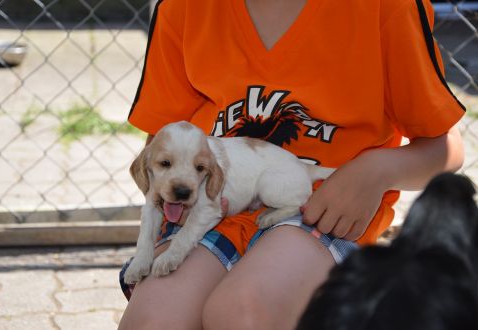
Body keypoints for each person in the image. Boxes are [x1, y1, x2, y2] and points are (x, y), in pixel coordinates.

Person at [118, 0, 465, 329]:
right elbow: (161, 145)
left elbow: (445, 148)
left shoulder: (385, 8)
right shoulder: (185, 8)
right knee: (154, 320)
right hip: (210, 205)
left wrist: (377, 171)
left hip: (320, 209)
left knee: (242, 311)